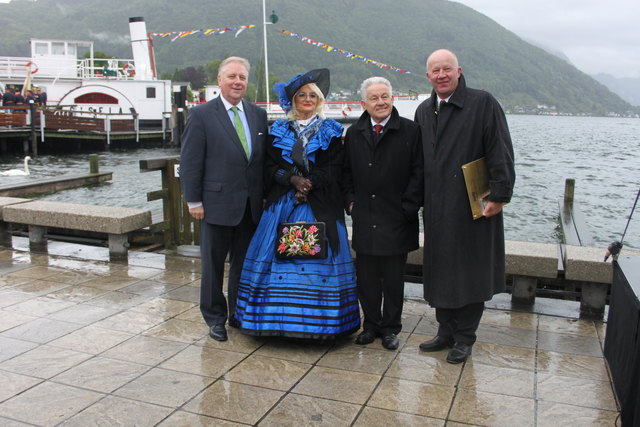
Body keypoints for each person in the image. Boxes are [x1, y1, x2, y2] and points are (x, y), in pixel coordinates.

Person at [234, 69, 360, 339]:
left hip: (320, 205)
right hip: (282, 204)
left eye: (312, 95)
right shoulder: (278, 130)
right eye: (301, 95)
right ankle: (272, 323)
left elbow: (336, 168)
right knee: (276, 255)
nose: (306, 99)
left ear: (319, 100)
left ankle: (321, 326)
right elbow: (268, 167)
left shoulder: (332, 131)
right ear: (292, 100)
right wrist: (292, 180)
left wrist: (309, 183)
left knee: (318, 256)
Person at [414, 49, 515, 364]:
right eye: (435, 70)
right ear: (428, 76)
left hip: (474, 207)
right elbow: (417, 163)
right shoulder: (423, 111)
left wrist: (499, 195)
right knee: (441, 270)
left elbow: (500, 150)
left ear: (459, 71)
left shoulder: (482, 103)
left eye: (447, 69)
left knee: (470, 272)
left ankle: (465, 338)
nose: (441, 75)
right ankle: (445, 331)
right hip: (436, 208)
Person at [180, 56, 268, 342]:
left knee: (243, 264)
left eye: (242, 77)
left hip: (250, 206)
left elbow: (260, 161)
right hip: (215, 205)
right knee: (213, 266)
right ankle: (215, 318)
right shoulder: (202, 114)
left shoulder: (257, 114)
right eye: (231, 76)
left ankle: (237, 314)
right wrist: (193, 201)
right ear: (219, 80)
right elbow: (191, 160)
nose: (237, 82)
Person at [343, 77, 423, 350]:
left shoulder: (411, 131)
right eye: (374, 98)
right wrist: (351, 203)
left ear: (392, 98)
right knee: (366, 277)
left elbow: (419, 173)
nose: (381, 102)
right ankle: (371, 325)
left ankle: (390, 328)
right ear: (364, 103)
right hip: (365, 215)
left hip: (397, 217)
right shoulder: (354, 133)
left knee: (392, 278)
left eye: (385, 96)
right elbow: (346, 174)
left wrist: (407, 208)